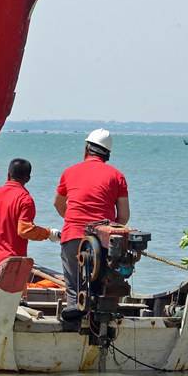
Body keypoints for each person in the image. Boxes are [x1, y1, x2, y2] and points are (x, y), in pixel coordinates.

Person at [53, 129, 130, 317]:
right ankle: (101, 319)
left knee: (73, 288)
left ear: (87, 148)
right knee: (103, 285)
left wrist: (73, 222)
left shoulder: (69, 172)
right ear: (107, 154)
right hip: (104, 240)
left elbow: (58, 203)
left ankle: (74, 318)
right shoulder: (117, 176)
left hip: (72, 237)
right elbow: (124, 216)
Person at [0, 158, 57, 272]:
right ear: (28, 179)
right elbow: (25, 230)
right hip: (12, 263)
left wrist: (2, 226)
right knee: (14, 291)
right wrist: (48, 233)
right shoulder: (25, 199)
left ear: (8, 174)